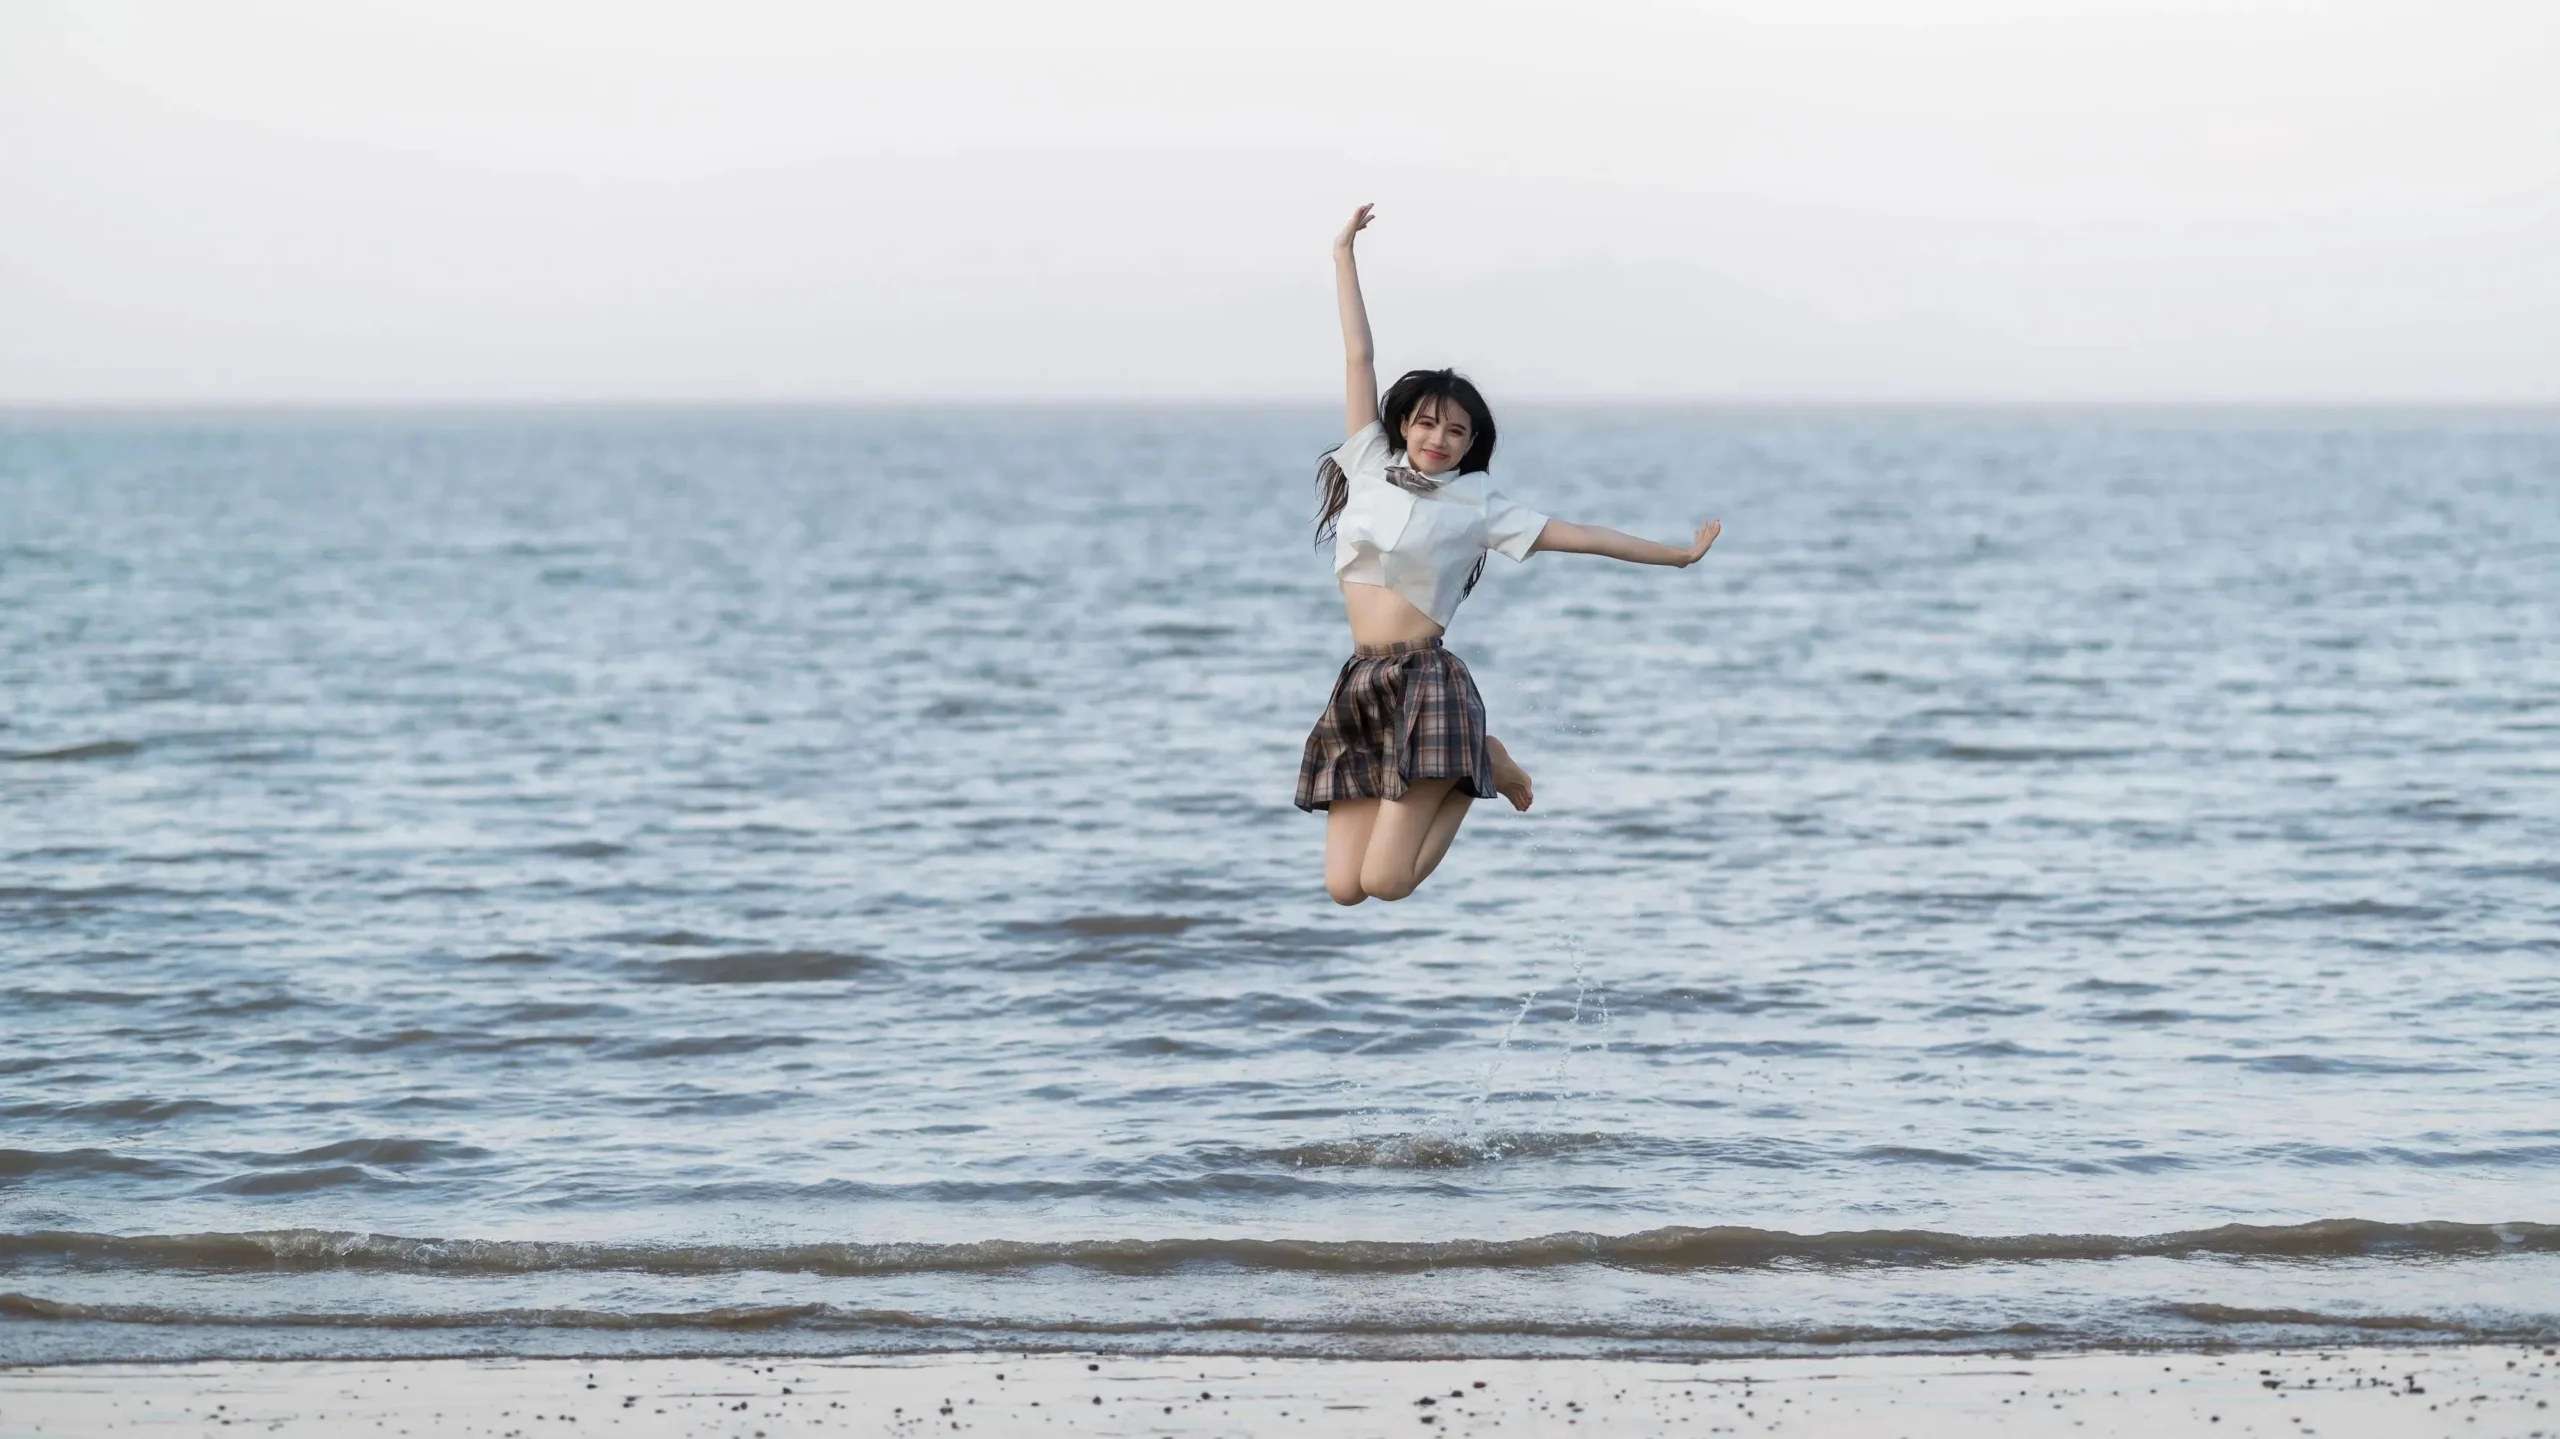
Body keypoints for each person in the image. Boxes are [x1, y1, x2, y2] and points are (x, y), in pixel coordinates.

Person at [1297, 203, 1723, 906]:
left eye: (1457, 431)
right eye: (1428, 422)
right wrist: (1343, 252)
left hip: (1427, 685)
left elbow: (1585, 536)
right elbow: (1357, 355)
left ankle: (1482, 767)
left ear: (1469, 445)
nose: (1439, 437)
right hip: (1361, 685)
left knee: (1386, 881)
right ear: (1405, 423)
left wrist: (1678, 556)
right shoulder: (1369, 460)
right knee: (1344, 888)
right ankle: (1482, 759)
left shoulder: (1480, 506)